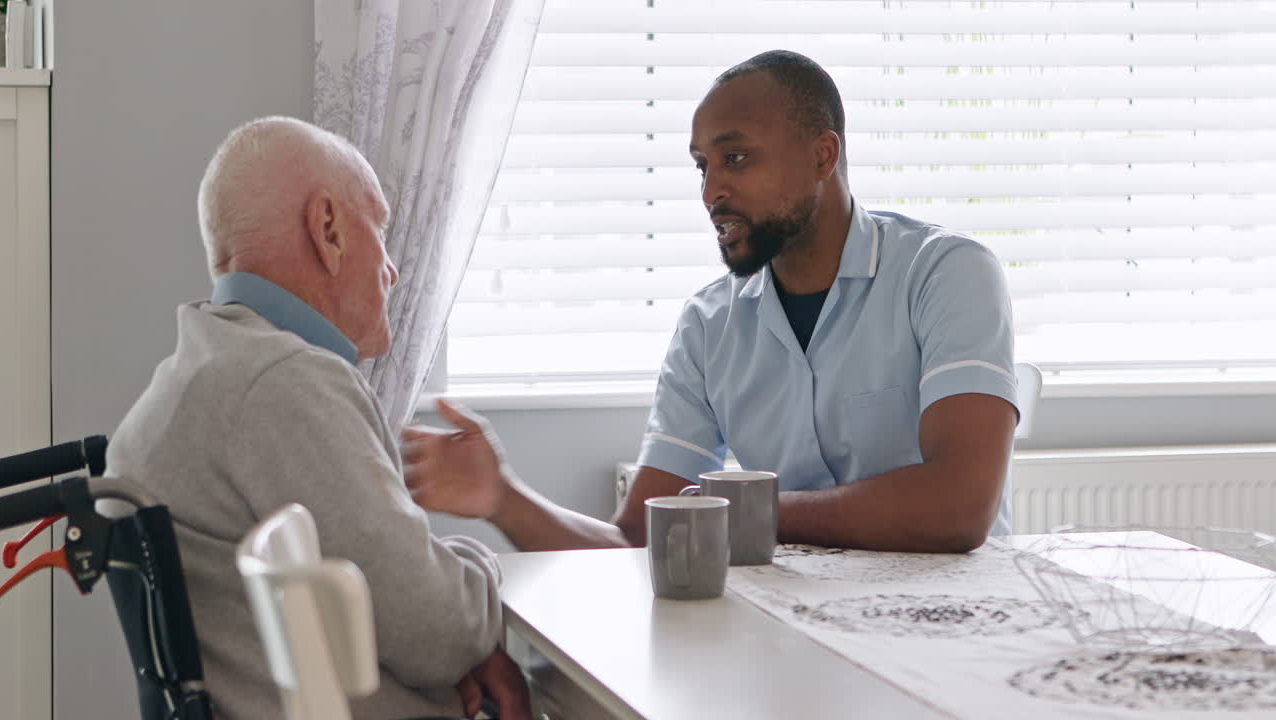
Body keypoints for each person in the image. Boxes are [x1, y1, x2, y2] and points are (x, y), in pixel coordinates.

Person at [406, 50, 1018, 555]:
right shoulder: (709, 325)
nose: (711, 191)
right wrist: (503, 498)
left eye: (736, 158)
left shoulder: (946, 272)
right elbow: (636, 540)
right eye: (701, 166)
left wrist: (746, 511)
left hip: (955, 628)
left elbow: (958, 509)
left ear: (822, 156)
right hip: (792, 627)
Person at [106, 117, 529, 720]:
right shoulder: (281, 382)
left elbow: (411, 624)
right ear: (328, 228)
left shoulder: (202, 372)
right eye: (380, 230)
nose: (392, 268)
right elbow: (439, 631)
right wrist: (484, 566)